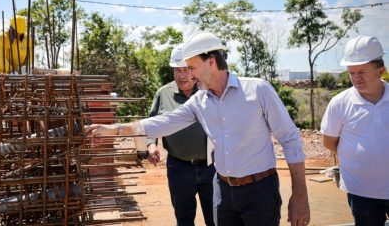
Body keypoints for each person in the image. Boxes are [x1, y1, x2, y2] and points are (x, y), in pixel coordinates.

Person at [86, 32, 310, 226]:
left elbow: (290, 139)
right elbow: (162, 122)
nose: (189, 76)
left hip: (260, 191)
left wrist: (300, 196)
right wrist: (113, 129)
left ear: (211, 62)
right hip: (223, 192)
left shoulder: (258, 90)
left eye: (192, 67)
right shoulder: (200, 101)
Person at [321, 35, 389, 226]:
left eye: (362, 72)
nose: (356, 78)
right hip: (361, 192)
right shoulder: (340, 103)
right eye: (351, 72)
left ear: (380, 71)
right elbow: (329, 142)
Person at [146, 45, 215, 226]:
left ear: (194, 70)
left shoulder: (208, 92)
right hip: (179, 169)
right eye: (178, 70)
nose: (182, 75)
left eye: (186, 70)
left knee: (216, 218)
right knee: (184, 219)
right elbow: (152, 123)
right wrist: (151, 145)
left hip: (211, 167)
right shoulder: (163, 94)